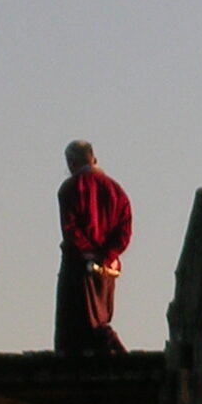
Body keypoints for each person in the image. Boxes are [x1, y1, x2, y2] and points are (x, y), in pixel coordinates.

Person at [55, 140, 132, 355]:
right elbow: (124, 231)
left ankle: (117, 352)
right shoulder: (117, 191)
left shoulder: (70, 188)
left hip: (78, 265)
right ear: (94, 158)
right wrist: (108, 255)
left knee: (75, 326)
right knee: (100, 317)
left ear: (72, 162)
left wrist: (89, 253)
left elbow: (70, 230)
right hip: (107, 268)